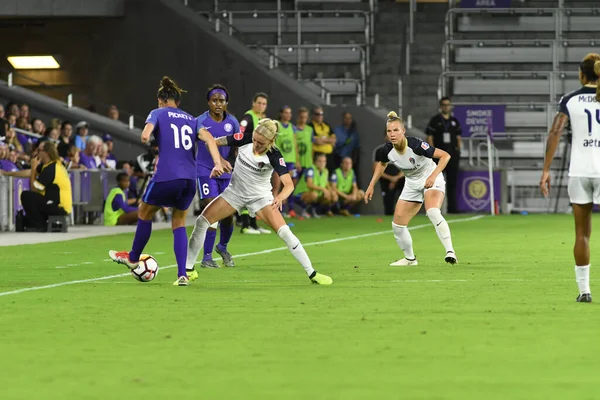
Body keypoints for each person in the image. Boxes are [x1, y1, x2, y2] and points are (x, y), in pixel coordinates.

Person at [108, 76, 226, 287]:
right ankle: (182, 274)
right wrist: (217, 163)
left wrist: (152, 135)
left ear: (161, 100)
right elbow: (209, 139)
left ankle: (133, 258)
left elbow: (145, 136)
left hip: (166, 175)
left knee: (144, 212)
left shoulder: (158, 113)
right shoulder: (192, 119)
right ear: (177, 102)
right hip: (189, 179)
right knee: (178, 221)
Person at [185, 118, 332, 285]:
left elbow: (289, 185)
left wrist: (279, 197)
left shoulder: (274, 155)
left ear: (270, 141)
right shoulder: (244, 138)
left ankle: (312, 273)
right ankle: (189, 270)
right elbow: (210, 142)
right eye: (254, 139)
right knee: (202, 221)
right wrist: (220, 161)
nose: (255, 144)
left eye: (261, 143)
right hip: (235, 193)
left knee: (285, 233)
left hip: (260, 197)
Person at [540, 53, 600, 303]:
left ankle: (584, 291)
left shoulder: (570, 99)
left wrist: (545, 169)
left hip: (580, 171)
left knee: (581, 233)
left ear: (581, 74)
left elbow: (555, 132)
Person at [365, 111, 457, 266]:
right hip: (412, 183)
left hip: (430, 176)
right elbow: (382, 164)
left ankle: (450, 252)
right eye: (389, 131)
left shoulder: (416, 145)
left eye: (396, 130)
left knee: (433, 211)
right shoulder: (386, 150)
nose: (392, 134)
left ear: (403, 131)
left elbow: (445, 156)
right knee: (398, 225)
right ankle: (410, 259)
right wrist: (371, 185)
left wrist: (433, 176)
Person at [194, 84, 239, 268]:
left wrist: (231, 163)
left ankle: (222, 246)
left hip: (226, 175)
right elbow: (207, 144)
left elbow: (237, 146)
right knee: (212, 210)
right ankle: (206, 257)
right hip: (206, 171)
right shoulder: (200, 121)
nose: (218, 104)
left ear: (226, 103)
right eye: (214, 100)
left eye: (221, 101)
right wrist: (219, 160)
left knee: (228, 215)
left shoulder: (233, 122)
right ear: (208, 102)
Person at [0, 141, 72, 232]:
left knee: (27, 196)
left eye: (39, 150)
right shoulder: (50, 165)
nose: (36, 153)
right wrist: (6, 173)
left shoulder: (51, 169)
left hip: (58, 207)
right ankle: (38, 222)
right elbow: (29, 172)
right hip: (56, 204)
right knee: (32, 197)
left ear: (46, 153)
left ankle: (39, 225)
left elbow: (34, 189)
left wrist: (34, 168)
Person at [238, 92, 271, 234]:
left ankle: (253, 224)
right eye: (259, 103)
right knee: (246, 191)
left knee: (254, 192)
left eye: (264, 104)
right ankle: (245, 225)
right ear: (253, 103)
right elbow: (241, 131)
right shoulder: (248, 116)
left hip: (257, 159)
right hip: (248, 157)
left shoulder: (262, 118)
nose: (261, 106)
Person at [425, 97, 462, 214]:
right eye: (444, 105)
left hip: (451, 155)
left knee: (452, 182)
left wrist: (458, 150)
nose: (446, 107)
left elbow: (458, 137)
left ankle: (452, 208)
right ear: (441, 106)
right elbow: (429, 136)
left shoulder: (454, 121)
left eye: (448, 105)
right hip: (439, 155)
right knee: (435, 181)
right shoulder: (435, 120)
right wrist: (432, 152)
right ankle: (433, 208)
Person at [274, 105, 301, 217]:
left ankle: (288, 209)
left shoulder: (292, 127)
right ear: (281, 114)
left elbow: (294, 144)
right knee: (277, 185)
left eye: (289, 113)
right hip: (280, 160)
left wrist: (297, 160)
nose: (288, 115)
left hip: (291, 161)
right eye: (286, 112)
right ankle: (274, 210)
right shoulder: (277, 126)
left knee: (290, 185)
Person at [292, 153, 336, 218]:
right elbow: (309, 184)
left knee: (333, 196)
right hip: (300, 194)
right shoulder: (311, 169)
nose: (322, 163)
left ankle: (314, 210)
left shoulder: (325, 171)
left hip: (316, 193)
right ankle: (302, 210)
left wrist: (330, 191)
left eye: (324, 161)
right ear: (315, 162)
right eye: (320, 161)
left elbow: (326, 184)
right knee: (314, 195)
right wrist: (323, 189)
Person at [309, 106, 336, 171]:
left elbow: (334, 140)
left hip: (329, 156)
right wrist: (328, 140)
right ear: (313, 115)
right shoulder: (310, 126)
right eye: (317, 114)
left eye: (321, 114)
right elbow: (317, 141)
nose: (320, 116)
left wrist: (322, 139)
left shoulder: (327, 125)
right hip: (317, 155)